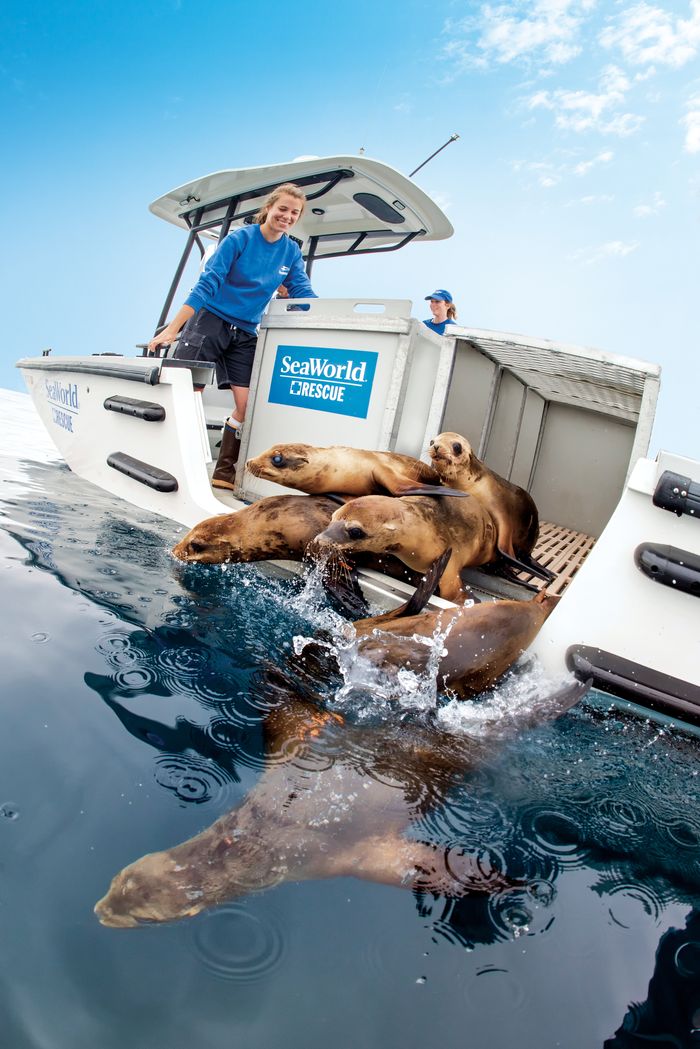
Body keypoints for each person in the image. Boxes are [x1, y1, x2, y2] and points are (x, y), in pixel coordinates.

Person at [147, 183, 317, 489]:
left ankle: (223, 471)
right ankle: (172, 460)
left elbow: (302, 290)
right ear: (269, 208)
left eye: (294, 213)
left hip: (245, 330)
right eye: (282, 209)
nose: (287, 216)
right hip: (211, 320)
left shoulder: (290, 250)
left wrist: (324, 316)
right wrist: (173, 329)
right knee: (188, 394)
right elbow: (206, 284)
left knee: (247, 405)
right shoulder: (240, 238)